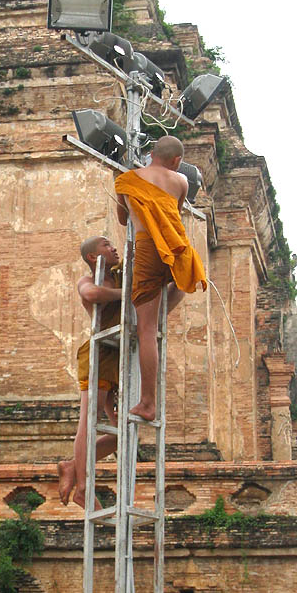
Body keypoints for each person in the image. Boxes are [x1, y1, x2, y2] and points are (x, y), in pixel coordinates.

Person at [114, 136, 207, 422]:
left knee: (146, 329)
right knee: (180, 282)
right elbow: (172, 215)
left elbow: (122, 219)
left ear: (151, 153)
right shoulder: (181, 182)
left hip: (147, 248)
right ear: (177, 161)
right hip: (176, 247)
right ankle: (162, 310)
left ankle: (147, 402)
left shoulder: (127, 180)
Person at [57, 236, 122, 509]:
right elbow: (92, 296)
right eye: (106, 245)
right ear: (94, 257)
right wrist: (126, 294)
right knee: (90, 419)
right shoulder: (89, 280)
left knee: (121, 433)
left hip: (118, 358)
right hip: (99, 353)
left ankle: (73, 465)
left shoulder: (120, 275)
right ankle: (83, 487)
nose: (114, 248)